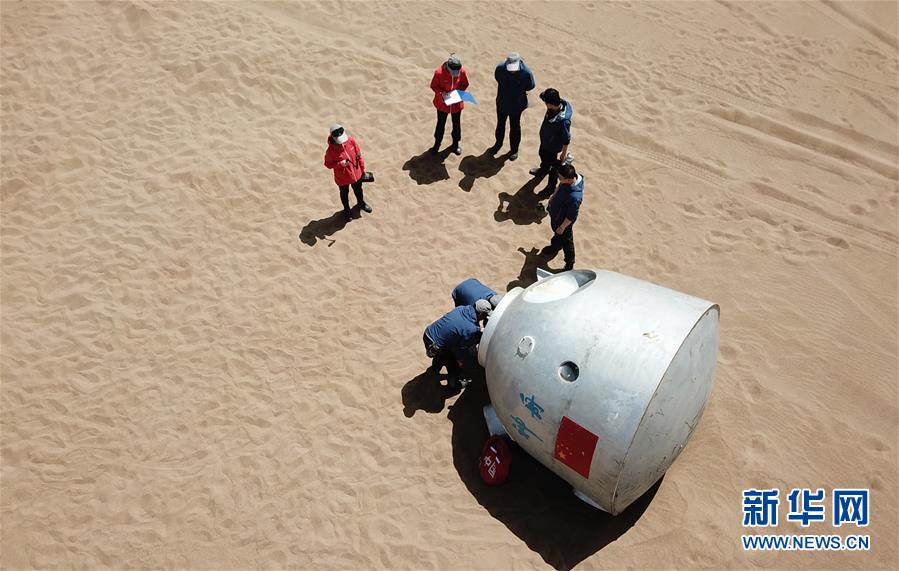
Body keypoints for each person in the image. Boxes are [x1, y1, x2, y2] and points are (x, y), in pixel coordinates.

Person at [423, 299, 492, 389]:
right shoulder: (470, 328)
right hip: (437, 347)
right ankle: (455, 385)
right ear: (480, 314)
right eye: (485, 315)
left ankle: (435, 369)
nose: (484, 318)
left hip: (428, 333)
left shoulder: (461, 308)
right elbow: (461, 349)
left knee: (441, 356)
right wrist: (460, 361)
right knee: (454, 367)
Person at [489, 52, 536, 161]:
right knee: (500, 124)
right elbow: (497, 78)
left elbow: (531, 86)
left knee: (515, 127)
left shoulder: (526, 73)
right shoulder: (500, 68)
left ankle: (514, 150)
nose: (512, 71)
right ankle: (498, 144)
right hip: (502, 102)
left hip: (517, 105)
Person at [323, 124, 373, 221]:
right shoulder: (330, 151)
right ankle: (346, 210)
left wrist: (362, 170)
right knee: (344, 193)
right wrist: (340, 164)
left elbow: (359, 155)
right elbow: (328, 164)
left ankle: (361, 203)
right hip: (342, 178)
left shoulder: (351, 141)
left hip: (356, 174)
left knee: (358, 190)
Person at [529, 88, 573, 197]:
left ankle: (550, 187)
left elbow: (566, 138)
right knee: (542, 155)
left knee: (554, 169)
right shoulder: (555, 105)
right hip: (545, 142)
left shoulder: (563, 121)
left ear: (549, 104)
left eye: (545, 102)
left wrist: (563, 153)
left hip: (553, 147)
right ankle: (543, 170)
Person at [542, 163, 583, 271]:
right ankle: (555, 247)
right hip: (555, 216)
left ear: (569, 180)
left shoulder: (575, 198)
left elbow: (571, 216)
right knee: (557, 234)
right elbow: (560, 186)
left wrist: (562, 227)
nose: (559, 179)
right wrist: (553, 196)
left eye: (561, 178)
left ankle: (569, 264)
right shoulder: (566, 181)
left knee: (567, 243)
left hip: (563, 223)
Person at [429, 53, 469, 156]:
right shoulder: (438, 73)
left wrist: (458, 93)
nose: (456, 73)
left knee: (456, 124)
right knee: (440, 124)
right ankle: (437, 144)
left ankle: (455, 145)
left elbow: (465, 84)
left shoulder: (462, 72)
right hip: (442, 104)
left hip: (456, 103)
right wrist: (441, 93)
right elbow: (434, 86)